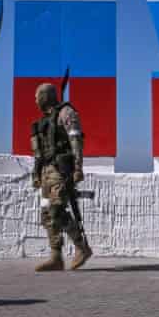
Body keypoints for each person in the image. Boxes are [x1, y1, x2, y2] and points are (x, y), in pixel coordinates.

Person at [30, 83, 93, 272]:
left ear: (45, 96)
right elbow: (39, 152)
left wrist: (78, 168)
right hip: (46, 173)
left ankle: (81, 247)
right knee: (47, 214)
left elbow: (76, 140)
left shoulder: (66, 113)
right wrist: (36, 174)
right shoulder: (44, 121)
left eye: (37, 96)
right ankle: (55, 257)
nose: (35, 100)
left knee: (57, 210)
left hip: (60, 170)